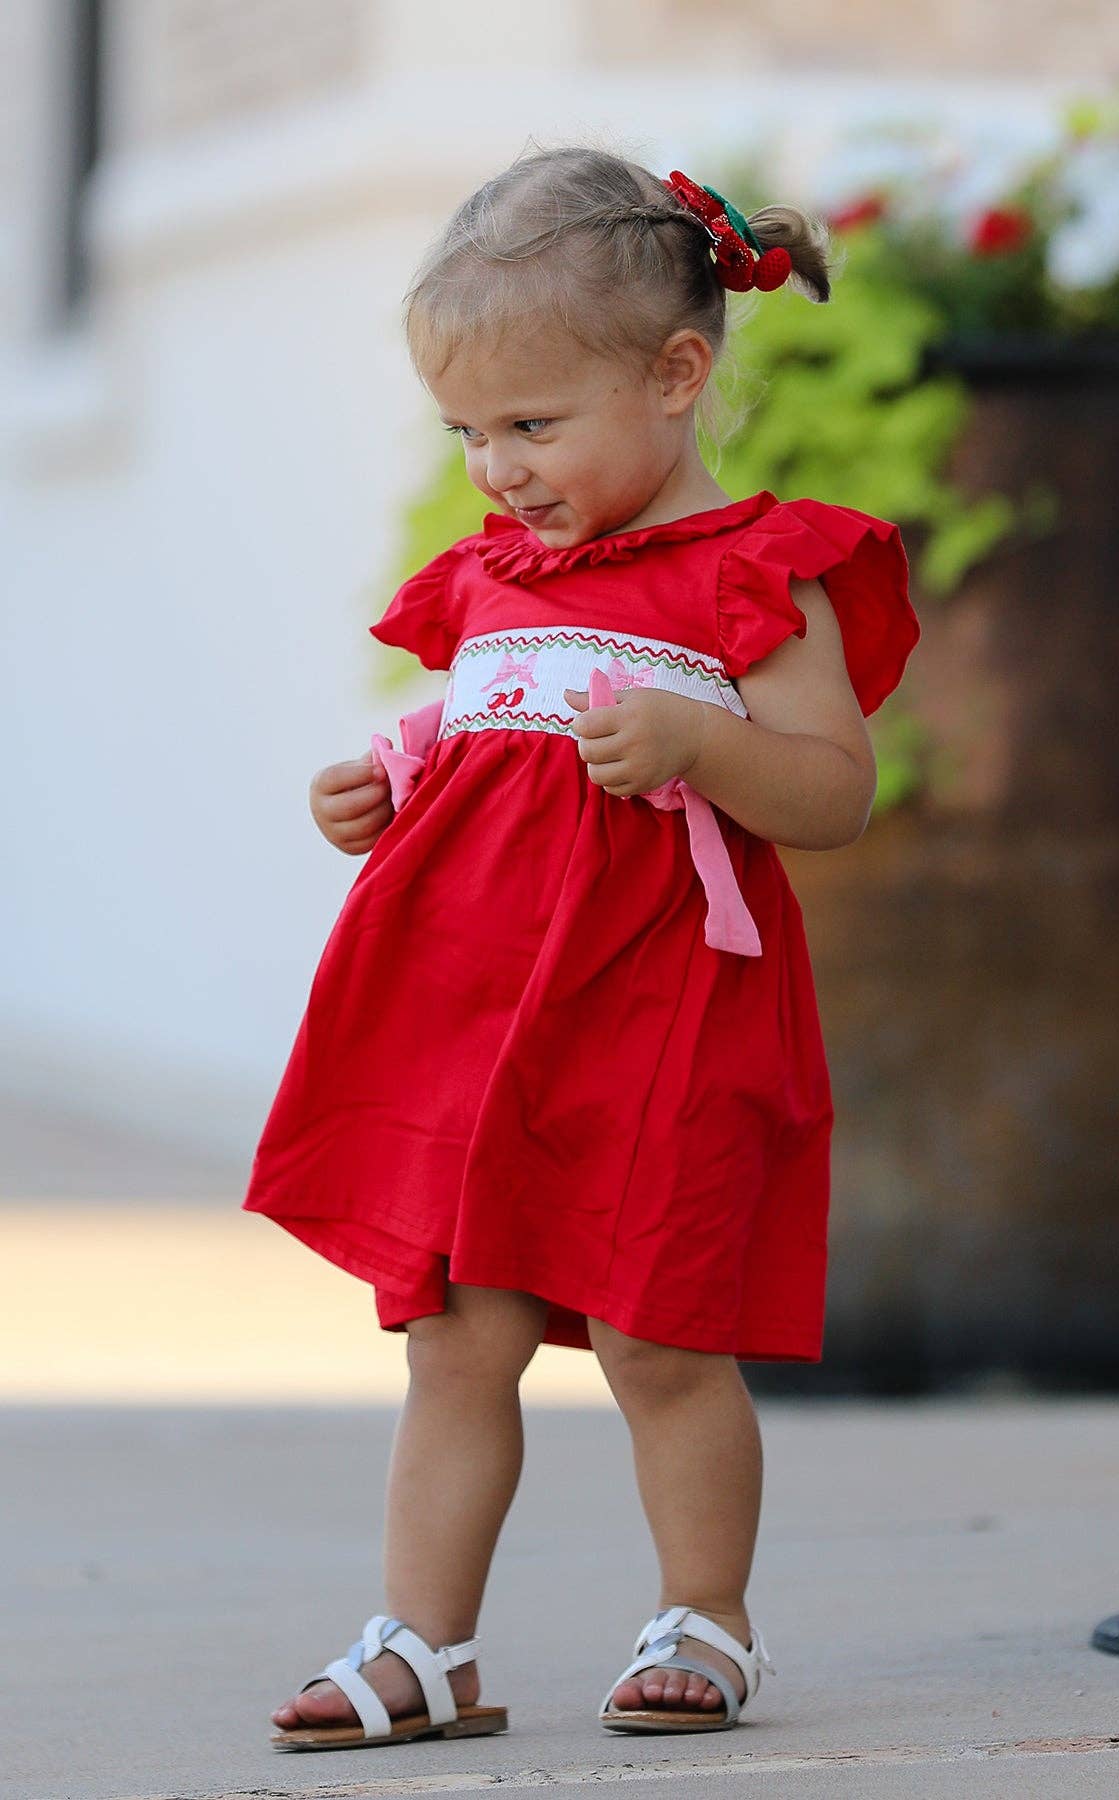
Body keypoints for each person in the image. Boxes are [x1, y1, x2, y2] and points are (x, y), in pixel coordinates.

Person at [244, 142, 920, 1753]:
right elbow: (479, 754)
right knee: (453, 1337)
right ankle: (424, 1645)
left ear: (676, 374)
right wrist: (381, 791)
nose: (495, 468)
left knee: (658, 1331)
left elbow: (831, 794)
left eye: (531, 425)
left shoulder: (762, 571)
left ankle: (709, 1615)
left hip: (662, 1010)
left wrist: (704, 739)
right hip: (475, 1016)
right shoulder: (489, 583)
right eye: (467, 430)